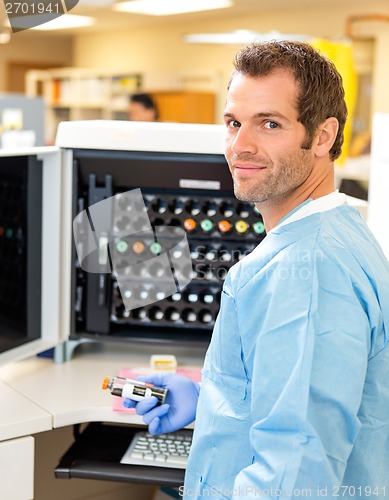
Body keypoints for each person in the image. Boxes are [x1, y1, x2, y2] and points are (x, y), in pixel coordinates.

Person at [124, 41, 389, 499]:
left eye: (270, 123)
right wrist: (209, 397)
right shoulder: (331, 233)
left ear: (323, 137)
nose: (240, 145)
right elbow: (301, 386)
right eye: (233, 123)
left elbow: (293, 478)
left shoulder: (307, 271)